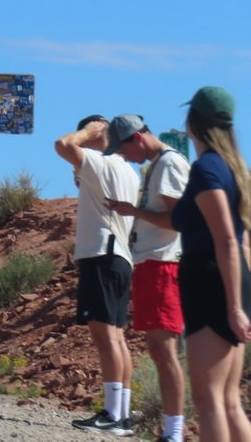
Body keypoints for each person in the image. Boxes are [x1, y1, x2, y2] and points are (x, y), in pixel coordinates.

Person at [171, 86, 251, 441]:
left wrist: (234, 308)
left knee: (209, 401)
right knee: (229, 401)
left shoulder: (206, 169)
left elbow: (227, 239)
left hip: (211, 282)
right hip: (233, 280)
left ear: (193, 122)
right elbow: (242, 240)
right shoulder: (235, 169)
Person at [104, 115, 189, 442]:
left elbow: (176, 219)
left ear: (137, 138)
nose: (125, 156)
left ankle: (175, 431)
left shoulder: (168, 164)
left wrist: (133, 211)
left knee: (164, 352)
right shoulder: (159, 164)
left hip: (163, 265)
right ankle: (171, 430)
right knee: (158, 350)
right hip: (154, 264)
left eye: (124, 148)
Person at [54, 115, 139, 436]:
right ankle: (122, 415)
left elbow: (62, 144)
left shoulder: (100, 162)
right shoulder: (127, 170)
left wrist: (86, 133)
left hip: (102, 255)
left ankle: (112, 414)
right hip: (120, 257)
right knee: (116, 337)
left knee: (105, 337)